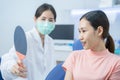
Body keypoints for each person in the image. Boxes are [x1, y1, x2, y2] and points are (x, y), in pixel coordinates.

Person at [1, 3, 57, 80]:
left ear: (54, 22)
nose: (47, 23)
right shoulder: (26, 38)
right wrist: (13, 67)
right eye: (43, 19)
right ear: (35, 19)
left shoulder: (51, 42)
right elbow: (8, 60)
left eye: (50, 20)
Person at [62, 10, 120, 80]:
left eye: (84, 31)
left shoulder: (116, 63)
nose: (80, 37)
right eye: (79, 32)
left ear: (99, 31)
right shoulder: (74, 56)